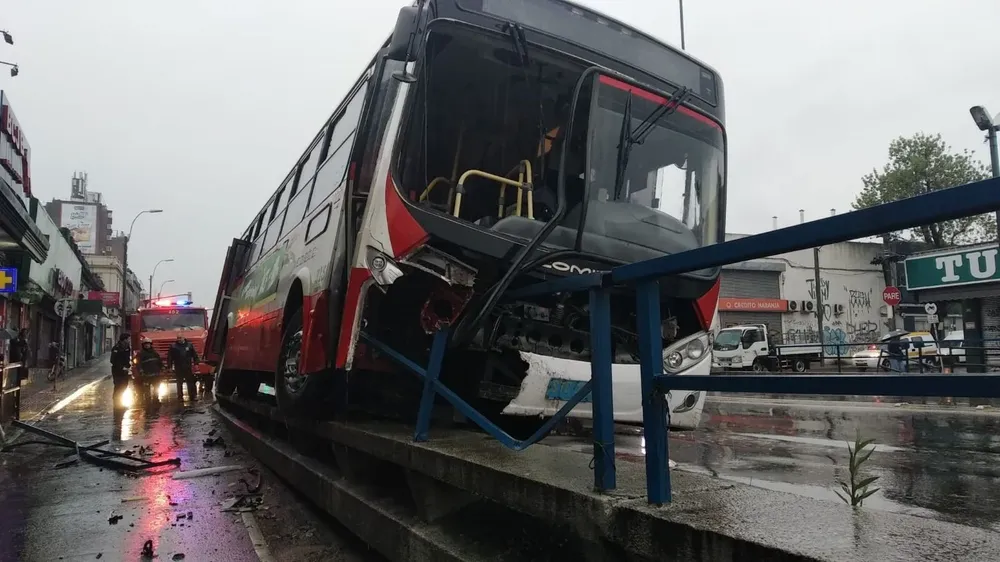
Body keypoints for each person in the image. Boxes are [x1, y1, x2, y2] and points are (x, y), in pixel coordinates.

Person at [167, 334, 199, 401]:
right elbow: (170, 358)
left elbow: (195, 355)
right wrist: (169, 366)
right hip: (178, 367)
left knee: (190, 382)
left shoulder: (189, 345)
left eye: (180, 338)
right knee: (179, 383)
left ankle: (193, 396)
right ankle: (180, 397)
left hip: (188, 367)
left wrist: (196, 364)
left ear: (184, 338)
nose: (179, 339)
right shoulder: (173, 347)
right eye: (178, 338)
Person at [136, 337, 164, 404]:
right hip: (146, 375)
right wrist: (141, 371)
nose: (147, 345)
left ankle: (155, 399)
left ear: (150, 344)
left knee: (156, 388)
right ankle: (147, 401)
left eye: (148, 344)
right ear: (143, 345)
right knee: (147, 389)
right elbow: (138, 364)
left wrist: (162, 367)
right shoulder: (141, 354)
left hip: (156, 374)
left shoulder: (155, 353)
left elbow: (159, 361)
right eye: (145, 344)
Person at [110, 333, 132, 408]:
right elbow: (112, 360)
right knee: (118, 386)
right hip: (117, 370)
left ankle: (120, 402)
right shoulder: (116, 348)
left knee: (124, 385)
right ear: (124, 339)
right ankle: (116, 403)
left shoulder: (127, 347)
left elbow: (127, 358)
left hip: (125, 370)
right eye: (128, 339)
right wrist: (121, 367)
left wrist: (128, 366)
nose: (129, 340)